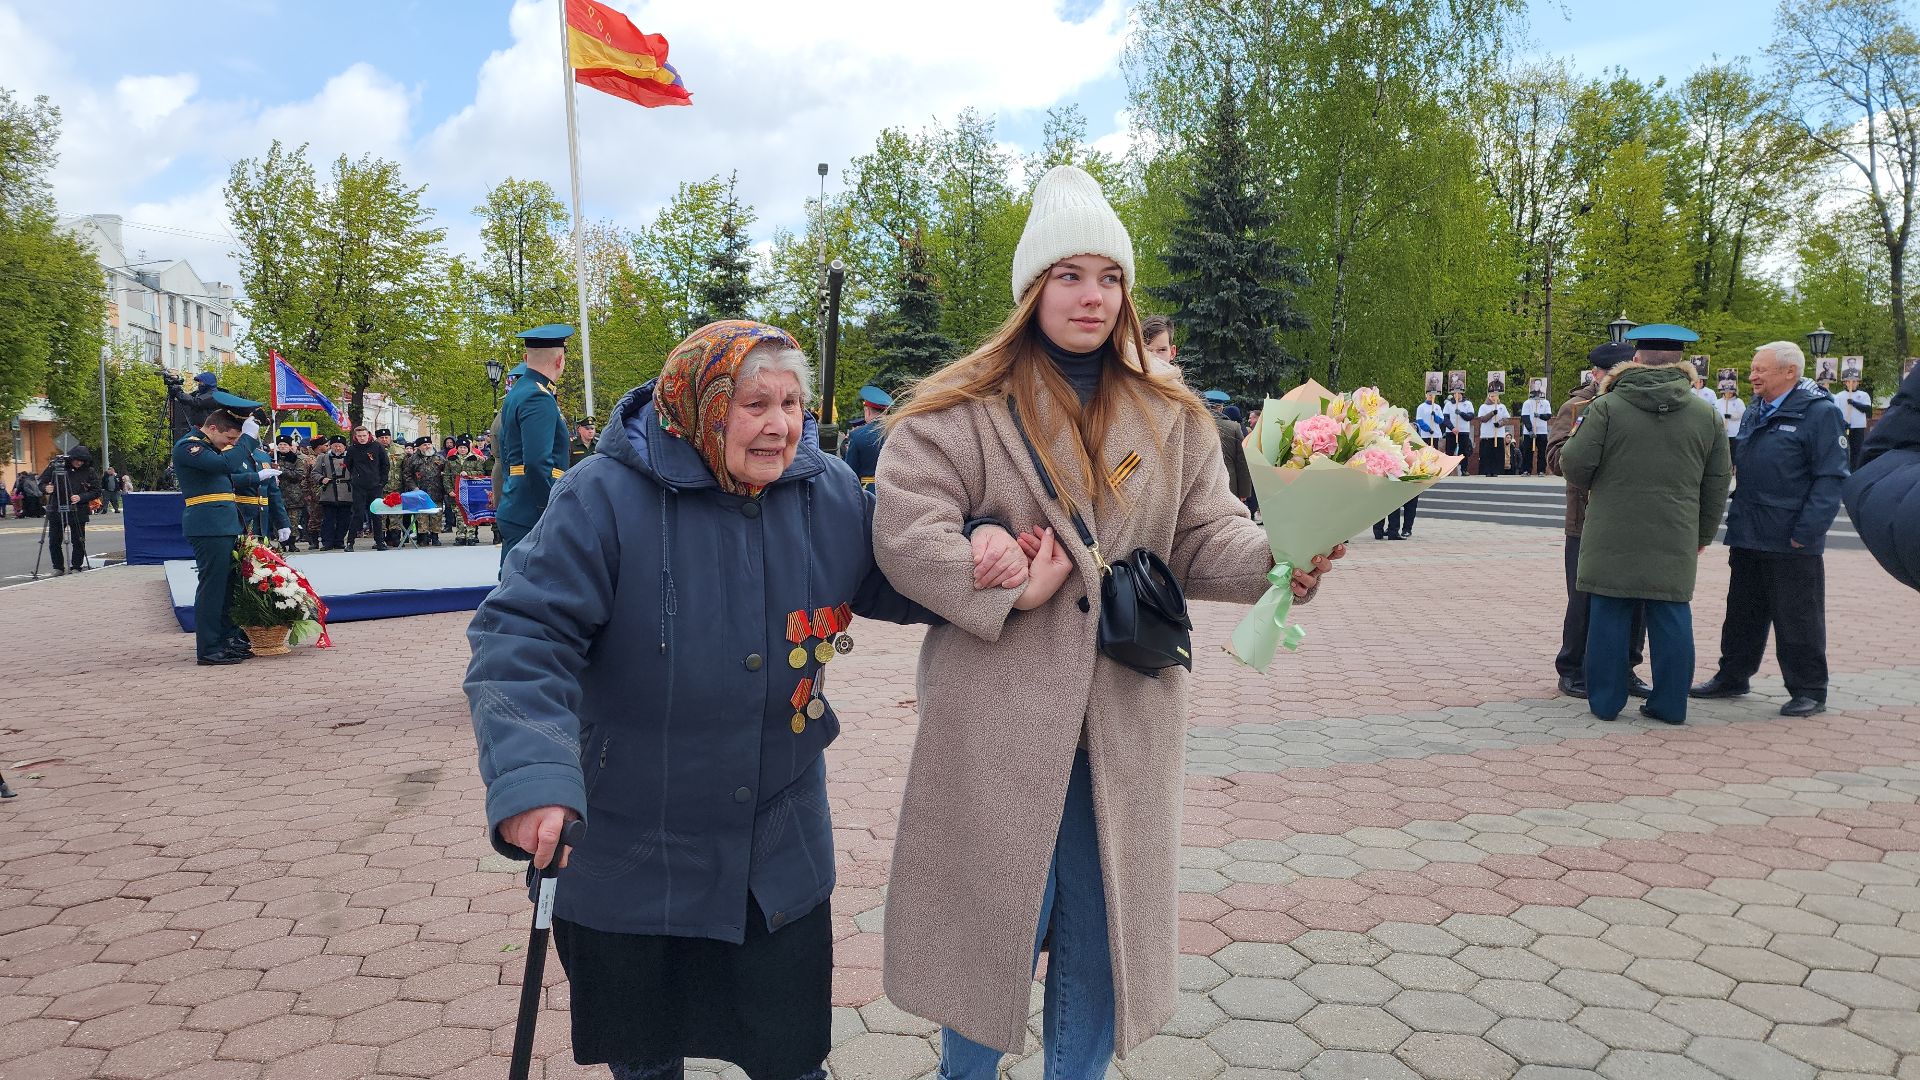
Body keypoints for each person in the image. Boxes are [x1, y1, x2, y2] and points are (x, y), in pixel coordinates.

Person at [870, 164, 1342, 1078]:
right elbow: (904, 530)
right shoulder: (962, 411)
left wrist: (1288, 558)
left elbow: (1209, 535)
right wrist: (1001, 574)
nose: (1092, 297)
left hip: (1124, 720)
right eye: (1069, 276)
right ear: (1031, 289)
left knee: (1100, 935)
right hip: (999, 717)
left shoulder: (1170, 416)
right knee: (989, 929)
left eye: (1110, 278)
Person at [466, 319, 975, 1080]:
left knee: (791, 1057)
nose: (780, 426)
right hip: (632, 843)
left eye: (793, 404)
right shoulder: (602, 496)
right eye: (755, 404)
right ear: (701, 405)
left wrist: (989, 547)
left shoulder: (825, 490)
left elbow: (904, 572)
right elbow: (522, 637)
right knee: (645, 1060)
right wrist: (532, 780)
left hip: (774, 847)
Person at [1560, 333, 1731, 724]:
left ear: (1635, 359)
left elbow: (1574, 465)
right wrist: (1701, 536)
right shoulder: (1706, 415)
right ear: (1682, 363)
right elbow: (1718, 482)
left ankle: (1605, 702)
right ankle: (1670, 705)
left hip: (1610, 530)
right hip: (1675, 531)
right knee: (1671, 614)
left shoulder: (1606, 407)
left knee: (1608, 612)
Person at [1693, 340, 1850, 717]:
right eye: (1753, 368)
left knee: (1797, 615)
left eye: (1761, 369)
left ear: (1790, 372)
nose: (1752, 376)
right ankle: (1733, 676)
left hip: (1792, 535)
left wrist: (1808, 530)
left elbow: (1831, 477)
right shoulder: (1756, 410)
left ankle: (1809, 688)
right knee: (1742, 610)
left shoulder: (1819, 413)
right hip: (1749, 528)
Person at [1547, 342, 1650, 699]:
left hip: (1631, 517)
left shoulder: (1638, 404)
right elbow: (1555, 458)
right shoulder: (1576, 407)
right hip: (1586, 519)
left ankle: (1626, 667)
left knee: (1635, 597)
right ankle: (1573, 668)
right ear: (1596, 374)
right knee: (1583, 598)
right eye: (1616, 373)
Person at [172, 391, 281, 665]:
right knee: (212, 588)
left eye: (234, 439)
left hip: (223, 523)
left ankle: (226, 639)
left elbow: (227, 477)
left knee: (228, 585)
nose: (230, 444)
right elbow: (224, 465)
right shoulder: (189, 446)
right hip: (208, 526)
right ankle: (209, 648)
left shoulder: (209, 448)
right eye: (228, 438)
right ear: (211, 428)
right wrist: (247, 438)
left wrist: (256, 476)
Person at [493, 323, 573, 563]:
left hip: (518, 501)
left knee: (514, 584)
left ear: (526, 358)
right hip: (533, 510)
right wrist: (549, 509)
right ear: (559, 361)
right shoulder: (538, 396)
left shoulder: (521, 390)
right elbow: (537, 463)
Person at [1844, 359, 1920, 591]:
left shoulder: (1864, 395)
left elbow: (1867, 412)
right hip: (1892, 471)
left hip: (1860, 429)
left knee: (1858, 449)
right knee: (1855, 455)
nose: (1850, 382)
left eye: (1853, 379)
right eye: (1848, 379)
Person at [39, 445, 103, 575]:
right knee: (54, 540)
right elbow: (41, 482)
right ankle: (58, 567)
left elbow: (96, 491)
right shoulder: (56, 466)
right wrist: (46, 488)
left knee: (78, 540)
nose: (79, 463)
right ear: (71, 458)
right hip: (57, 508)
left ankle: (76, 566)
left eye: (82, 461)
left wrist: (81, 497)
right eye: (77, 460)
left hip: (78, 509)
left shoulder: (89, 471)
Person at [1202, 389, 1255, 507]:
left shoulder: (1197, 425)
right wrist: (1244, 492)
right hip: (1229, 484)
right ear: (1221, 408)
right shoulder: (1234, 427)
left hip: (1203, 485)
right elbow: (1241, 461)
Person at [839, 385, 893, 493]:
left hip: (869, 492)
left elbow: (850, 472)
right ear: (886, 411)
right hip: (895, 491)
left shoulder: (857, 435)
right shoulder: (898, 431)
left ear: (867, 410)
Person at [345, 425, 388, 551]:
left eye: (364, 436)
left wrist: (382, 482)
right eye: (359, 436)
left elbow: (385, 465)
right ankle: (350, 543)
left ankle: (380, 542)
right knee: (357, 514)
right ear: (355, 437)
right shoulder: (352, 449)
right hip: (359, 487)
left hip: (375, 486)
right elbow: (348, 464)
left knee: (376, 514)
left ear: (368, 435)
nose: (362, 438)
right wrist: (356, 477)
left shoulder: (377, 447)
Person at [445, 436, 491, 546]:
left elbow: (480, 473)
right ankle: (460, 536)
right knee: (459, 514)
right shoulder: (451, 460)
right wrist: (449, 490)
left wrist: (469, 474)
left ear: (468, 448)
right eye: (460, 447)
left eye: (464, 448)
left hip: (471, 492)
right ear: (457, 448)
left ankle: (471, 536)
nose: (462, 450)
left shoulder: (474, 459)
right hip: (456, 492)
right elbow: (446, 476)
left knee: (471, 513)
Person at [401, 437, 446, 545]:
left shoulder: (439, 458)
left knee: (436, 515)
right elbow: (407, 475)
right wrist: (414, 487)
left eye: (429, 444)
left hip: (436, 490)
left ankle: (435, 537)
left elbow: (447, 472)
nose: (427, 447)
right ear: (419, 447)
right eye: (424, 445)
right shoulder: (413, 459)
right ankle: (423, 537)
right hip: (420, 492)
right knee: (422, 516)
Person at [315, 435, 354, 550]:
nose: (337, 448)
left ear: (344, 447)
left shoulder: (350, 458)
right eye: (335, 446)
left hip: (346, 492)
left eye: (340, 446)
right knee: (328, 520)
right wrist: (322, 478)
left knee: (344, 519)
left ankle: (339, 540)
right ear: (330, 446)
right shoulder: (323, 458)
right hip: (329, 493)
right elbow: (315, 473)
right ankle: (327, 542)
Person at [1838, 376, 1872, 470]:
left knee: (1856, 450)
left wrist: (1854, 403)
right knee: (1843, 449)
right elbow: (1836, 411)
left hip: (1858, 427)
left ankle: (1855, 470)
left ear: (1858, 383)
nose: (1851, 384)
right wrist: (1842, 422)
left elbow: (1867, 409)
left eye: (1854, 382)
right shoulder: (1839, 396)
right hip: (1844, 427)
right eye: (1849, 382)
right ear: (1845, 383)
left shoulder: (1863, 395)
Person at [1519, 384, 1553, 475]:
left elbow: (1548, 416)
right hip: (1529, 432)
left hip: (1541, 431)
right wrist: (1530, 429)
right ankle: (1526, 470)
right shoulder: (1527, 403)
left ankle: (1541, 470)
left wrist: (1540, 415)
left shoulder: (1545, 402)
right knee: (1527, 452)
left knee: (1542, 452)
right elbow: (1525, 417)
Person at [1477, 391, 1510, 477]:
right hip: (1487, 434)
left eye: (1495, 396)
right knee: (1487, 454)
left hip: (1498, 434)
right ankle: (1487, 470)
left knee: (1497, 454)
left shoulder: (1502, 406)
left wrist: (1499, 423)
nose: (1493, 398)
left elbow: (1506, 419)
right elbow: (1482, 419)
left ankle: (1496, 470)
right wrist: (1492, 413)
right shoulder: (1483, 407)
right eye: (1491, 396)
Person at [1717, 381, 1747, 461]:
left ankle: (1735, 467)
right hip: (1722, 431)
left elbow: (1742, 414)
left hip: (1735, 432)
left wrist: (1731, 416)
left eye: (1730, 392)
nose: (1728, 393)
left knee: (1735, 451)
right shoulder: (1718, 402)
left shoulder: (1738, 401)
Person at [1448, 388, 1476, 472]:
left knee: (1463, 451)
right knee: (1450, 451)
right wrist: (1452, 427)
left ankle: (1464, 469)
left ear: (1461, 394)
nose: (1455, 395)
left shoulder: (1468, 404)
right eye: (1454, 394)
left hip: (1464, 431)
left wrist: (1461, 413)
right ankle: (1448, 470)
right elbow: (1445, 418)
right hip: (1451, 431)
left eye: (1458, 393)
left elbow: (1470, 417)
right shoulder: (1449, 404)